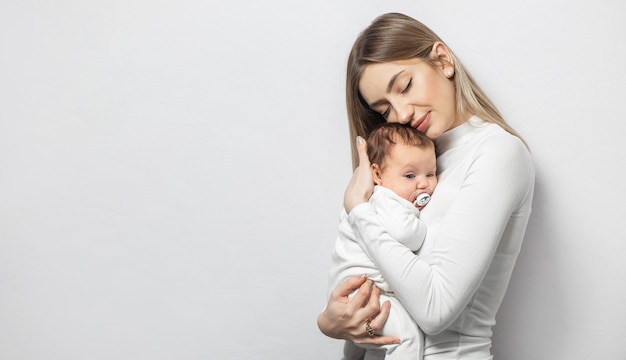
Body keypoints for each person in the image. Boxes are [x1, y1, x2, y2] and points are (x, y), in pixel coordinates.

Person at [317, 12, 535, 359]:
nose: (401, 112)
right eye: (384, 108)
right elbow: (374, 287)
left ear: (443, 60)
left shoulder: (497, 153)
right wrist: (331, 322)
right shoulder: (403, 162)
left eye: (404, 86)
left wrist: (359, 211)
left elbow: (436, 311)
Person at [327, 122, 437, 360]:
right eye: (410, 175)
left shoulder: (370, 197)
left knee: (365, 338)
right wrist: (419, 217)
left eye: (430, 173)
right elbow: (408, 235)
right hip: (365, 291)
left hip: (351, 290)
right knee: (406, 336)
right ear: (377, 174)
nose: (423, 183)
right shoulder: (387, 199)